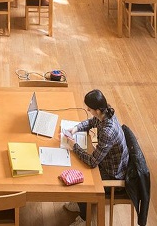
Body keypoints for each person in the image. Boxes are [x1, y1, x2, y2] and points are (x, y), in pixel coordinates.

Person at [61, 89, 129, 226]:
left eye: (89, 108)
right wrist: (75, 128)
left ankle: (85, 219)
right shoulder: (106, 113)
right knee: (77, 165)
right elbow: (92, 122)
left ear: (98, 110)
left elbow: (92, 162)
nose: (88, 110)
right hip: (107, 163)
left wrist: (74, 146)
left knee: (80, 180)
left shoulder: (107, 132)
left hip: (113, 176)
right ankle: (81, 204)